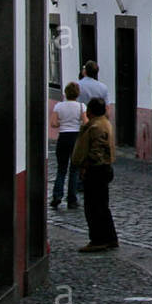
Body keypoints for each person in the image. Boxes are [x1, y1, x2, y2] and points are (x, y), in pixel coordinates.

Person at [70, 98, 118, 252]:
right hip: (103, 168)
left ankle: (98, 239)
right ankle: (110, 238)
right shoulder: (104, 123)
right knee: (102, 205)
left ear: (90, 111)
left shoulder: (95, 127)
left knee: (93, 206)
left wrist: (86, 166)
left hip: (96, 169)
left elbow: (96, 151)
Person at [49, 81, 87, 209]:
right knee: (74, 169)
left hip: (63, 137)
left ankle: (57, 196)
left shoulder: (59, 106)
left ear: (65, 93)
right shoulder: (81, 106)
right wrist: (77, 123)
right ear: (77, 94)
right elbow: (85, 122)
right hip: (75, 137)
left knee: (61, 168)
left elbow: (53, 123)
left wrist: (63, 123)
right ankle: (72, 199)